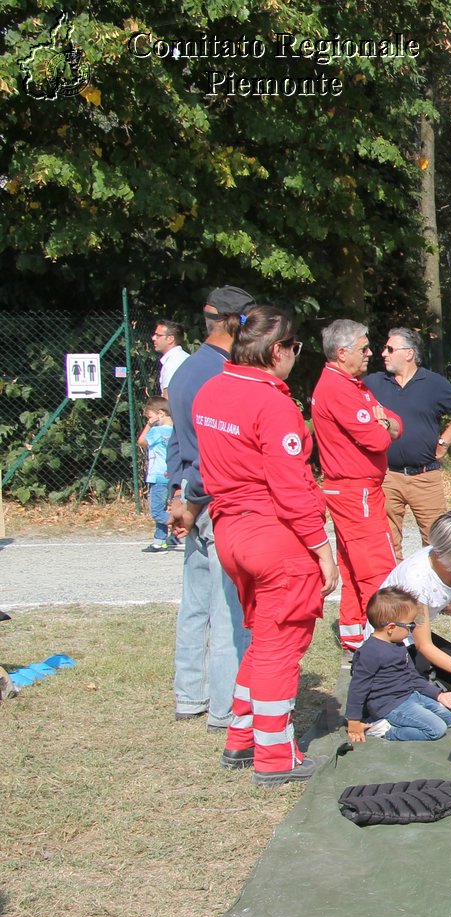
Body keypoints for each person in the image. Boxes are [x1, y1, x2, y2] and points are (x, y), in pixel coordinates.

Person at [194, 306, 335, 787]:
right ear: (277, 350)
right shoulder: (272, 404)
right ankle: (275, 755)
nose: (296, 357)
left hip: (230, 530)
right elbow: (291, 485)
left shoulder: (212, 390)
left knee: (262, 637)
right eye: (295, 348)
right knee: (281, 645)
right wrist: (322, 549)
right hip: (274, 535)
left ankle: (243, 734)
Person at [166, 285, 254, 729]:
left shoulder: (184, 369)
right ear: (236, 323)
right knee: (228, 610)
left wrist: (177, 500)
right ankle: (224, 708)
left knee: (195, 604)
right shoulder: (220, 375)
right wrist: (195, 501)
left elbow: (177, 447)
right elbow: (209, 450)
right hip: (213, 501)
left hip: (192, 500)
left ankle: (189, 695)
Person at [311, 319, 402, 652]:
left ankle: (354, 634)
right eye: (363, 348)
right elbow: (377, 438)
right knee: (377, 566)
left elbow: (394, 422)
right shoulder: (338, 388)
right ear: (341, 353)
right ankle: (387, 639)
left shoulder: (351, 385)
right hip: (356, 490)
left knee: (352, 565)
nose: (370, 353)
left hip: (355, 488)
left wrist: (387, 423)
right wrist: (385, 426)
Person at [364, 326, 451, 552]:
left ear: (409, 353)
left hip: (425, 478)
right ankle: (393, 587)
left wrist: (444, 441)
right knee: (388, 544)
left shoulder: (433, 383)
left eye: (389, 348)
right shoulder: (374, 383)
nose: (383, 353)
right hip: (387, 477)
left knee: (436, 543)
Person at [345, 587, 451, 743]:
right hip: (390, 705)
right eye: (410, 626)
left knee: (449, 719)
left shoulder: (398, 644)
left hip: (411, 696)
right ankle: (385, 730)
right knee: (436, 730)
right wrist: (353, 721)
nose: (412, 631)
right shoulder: (370, 653)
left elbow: (412, 676)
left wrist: (438, 694)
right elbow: (358, 688)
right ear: (391, 628)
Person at [378, 509, 451, 691]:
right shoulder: (415, 579)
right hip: (393, 641)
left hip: (416, 637)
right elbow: (423, 645)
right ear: (439, 555)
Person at [137, 397, 175, 552]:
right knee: (163, 507)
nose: (149, 420)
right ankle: (159, 542)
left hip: (158, 476)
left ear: (160, 414)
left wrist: (148, 425)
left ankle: (182, 524)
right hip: (171, 475)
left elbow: (141, 441)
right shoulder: (175, 431)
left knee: (157, 511)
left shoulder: (157, 431)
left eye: (150, 417)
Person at [152, 319, 189, 397]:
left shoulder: (171, 364)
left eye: (158, 335)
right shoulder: (186, 357)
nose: (153, 338)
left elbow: (168, 399)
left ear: (170, 339)